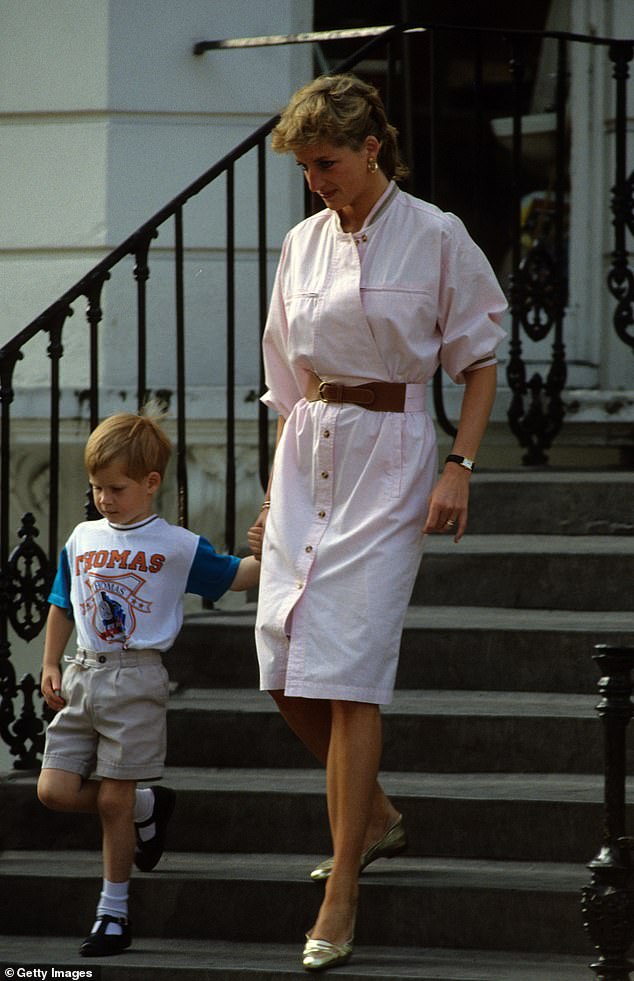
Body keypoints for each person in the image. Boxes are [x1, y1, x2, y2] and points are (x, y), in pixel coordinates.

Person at [247, 73, 507, 972]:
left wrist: (460, 466)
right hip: (308, 451)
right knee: (283, 663)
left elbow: (478, 357)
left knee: (351, 672)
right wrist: (271, 495)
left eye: (327, 162)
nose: (317, 179)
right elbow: (286, 376)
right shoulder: (301, 244)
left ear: (371, 149)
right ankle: (380, 814)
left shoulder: (436, 235)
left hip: (393, 453)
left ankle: (342, 884)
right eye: (305, 167)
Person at [37, 407, 260, 958]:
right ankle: (147, 808)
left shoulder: (175, 545)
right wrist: (49, 662)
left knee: (113, 797)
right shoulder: (83, 537)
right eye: (96, 488)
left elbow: (234, 577)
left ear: (150, 483)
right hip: (83, 675)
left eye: (116, 488)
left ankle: (113, 914)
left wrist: (278, 550)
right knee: (54, 791)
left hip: (136, 679)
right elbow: (63, 601)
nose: (104, 499)